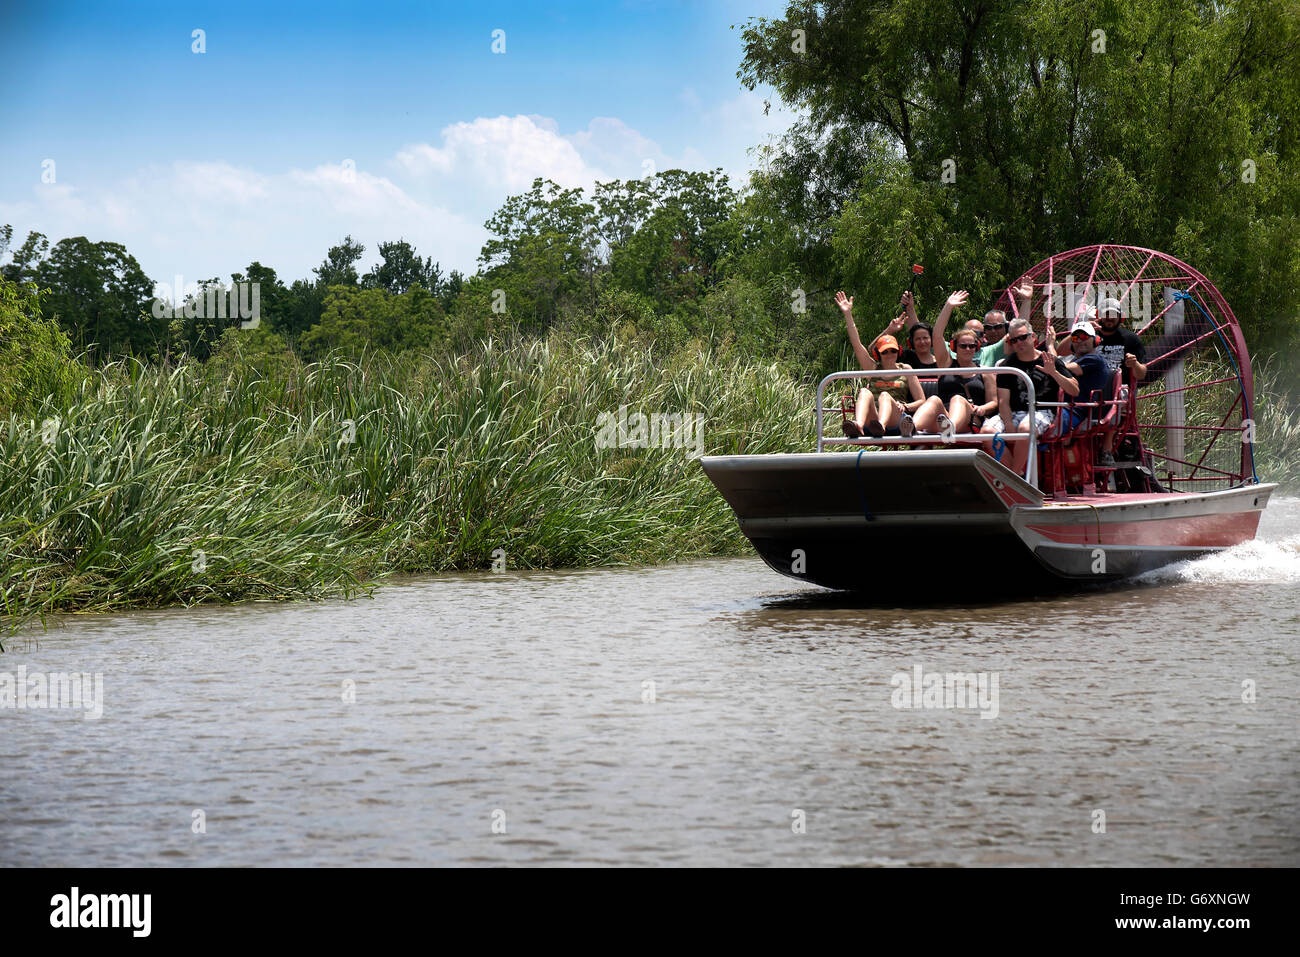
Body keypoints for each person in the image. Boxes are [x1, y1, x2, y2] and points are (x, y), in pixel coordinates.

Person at [979, 317, 1079, 476]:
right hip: (1013, 413)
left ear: (1033, 337)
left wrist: (1053, 372)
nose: (1019, 342)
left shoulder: (1050, 360)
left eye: (1023, 337)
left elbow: (1074, 390)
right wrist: (1009, 424)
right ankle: (1015, 475)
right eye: (1014, 340)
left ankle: (1013, 475)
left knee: (1025, 429)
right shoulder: (1007, 365)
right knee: (986, 433)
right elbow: (1003, 401)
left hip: (1043, 411)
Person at [835, 291, 928, 438]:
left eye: (893, 351)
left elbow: (922, 401)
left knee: (885, 395)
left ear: (898, 352)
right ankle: (858, 425)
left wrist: (905, 406)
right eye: (885, 352)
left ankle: (881, 426)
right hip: (872, 418)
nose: (890, 354)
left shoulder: (906, 369)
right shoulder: (873, 369)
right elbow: (857, 344)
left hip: (896, 419)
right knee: (864, 392)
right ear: (878, 354)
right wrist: (847, 314)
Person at [1094, 296, 1148, 465]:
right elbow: (1062, 350)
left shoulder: (1131, 340)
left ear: (1120, 318)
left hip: (1120, 390)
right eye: (1106, 314)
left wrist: (1135, 364)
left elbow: (1141, 374)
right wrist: (1082, 329)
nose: (1109, 318)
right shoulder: (1089, 336)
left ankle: (1106, 450)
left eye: (1113, 314)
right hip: (1093, 388)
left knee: (1116, 397)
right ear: (1098, 315)